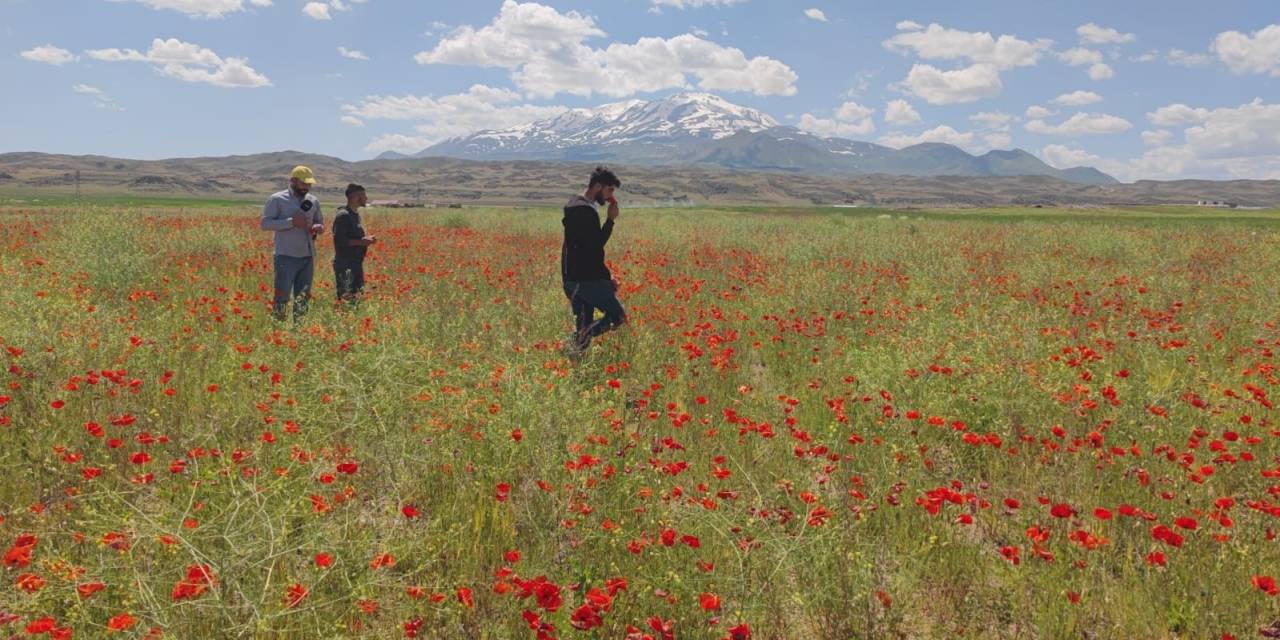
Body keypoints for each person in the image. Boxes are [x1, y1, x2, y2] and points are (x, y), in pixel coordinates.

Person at [561, 166, 625, 353]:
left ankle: (573, 357)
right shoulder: (584, 211)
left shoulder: (575, 206)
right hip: (585, 278)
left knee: (584, 324)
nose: (610, 196)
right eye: (609, 190)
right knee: (617, 315)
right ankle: (571, 342)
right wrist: (610, 221)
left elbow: (584, 249)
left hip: (573, 277)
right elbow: (595, 246)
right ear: (597, 187)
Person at [261, 166, 324, 322]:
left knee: (303, 297)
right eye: (304, 184)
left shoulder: (313, 200)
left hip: (307, 256)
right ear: (293, 181)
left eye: (309, 185)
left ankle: (299, 329)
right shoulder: (277, 199)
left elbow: (320, 223)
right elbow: (265, 224)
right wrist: (291, 222)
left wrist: (318, 228)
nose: (307, 187)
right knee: (282, 296)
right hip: (286, 256)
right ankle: (278, 330)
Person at [332, 183, 376, 305]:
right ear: (356, 197)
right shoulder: (343, 215)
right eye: (364, 195)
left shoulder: (354, 215)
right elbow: (340, 241)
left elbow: (352, 237)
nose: (366, 198)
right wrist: (363, 241)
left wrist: (366, 239)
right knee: (346, 298)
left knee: (357, 297)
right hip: (345, 264)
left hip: (355, 263)